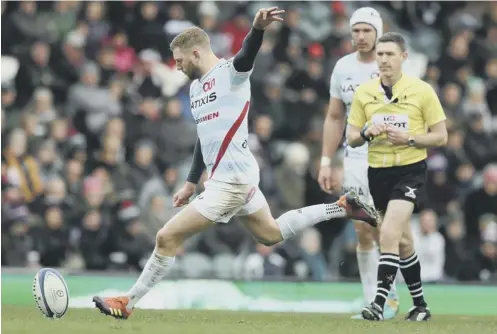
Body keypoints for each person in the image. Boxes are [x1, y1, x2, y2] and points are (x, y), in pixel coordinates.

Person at [92, 7, 380, 320]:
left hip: (231, 182)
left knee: (166, 237)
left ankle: (128, 302)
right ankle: (342, 207)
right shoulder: (195, 88)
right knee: (270, 234)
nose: (176, 67)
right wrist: (191, 180)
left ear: (197, 53)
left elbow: (247, 54)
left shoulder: (231, 72)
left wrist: (257, 29)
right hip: (232, 176)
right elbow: (205, 136)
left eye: (179, 60)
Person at [347, 32, 448, 321]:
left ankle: (378, 304)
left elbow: (441, 136)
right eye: (380, 54)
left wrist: (410, 139)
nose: (383, 59)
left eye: (390, 54)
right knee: (402, 242)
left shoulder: (422, 90)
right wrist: (366, 133)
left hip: (410, 171)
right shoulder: (364, 93)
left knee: (388, 233)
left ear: (404, 57)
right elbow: (352, 137)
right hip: (377, 172)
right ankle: (420, 306)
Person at [318, 7, 401, 320]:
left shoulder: (391, 64)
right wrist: (326, 160)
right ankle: (376, 302)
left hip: (389, 156)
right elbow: (335, 115)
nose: (361, 37)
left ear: (378, 32)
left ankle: (391, 296)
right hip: (354, 157)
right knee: (362, 229)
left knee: (387, 229)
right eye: (356, 31)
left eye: (367, 30)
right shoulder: (342, 67)